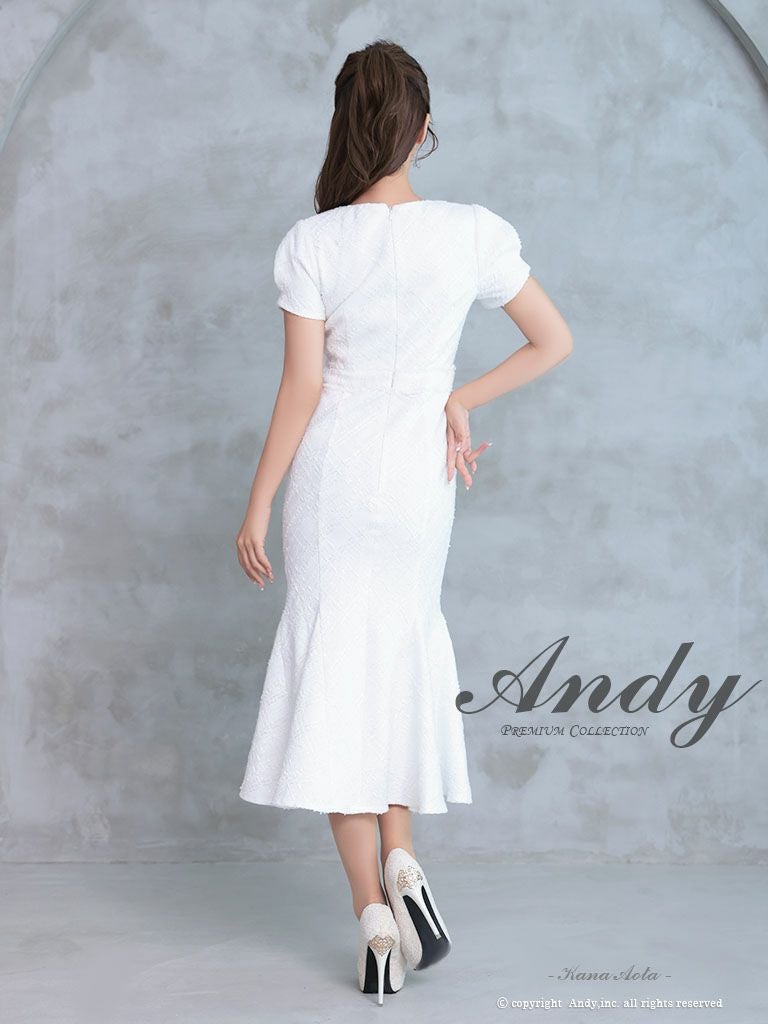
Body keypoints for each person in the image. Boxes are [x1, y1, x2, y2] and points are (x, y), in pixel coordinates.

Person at [235, 39, 573, 1005]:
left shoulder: (314, 244)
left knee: (335, 678)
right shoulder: (472, 233)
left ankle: (374, 920)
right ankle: (404, 859)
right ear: (423, 130)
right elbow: (553, 339)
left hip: (333, 478)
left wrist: (259, 499)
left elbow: (303, 386)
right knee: (398, 656)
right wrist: (458, 398)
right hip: (420, 478)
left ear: (345, 125)